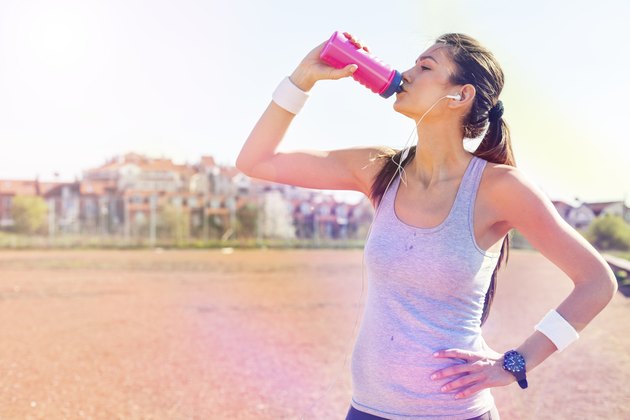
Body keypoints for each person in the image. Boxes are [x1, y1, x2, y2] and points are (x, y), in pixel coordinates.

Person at [236, 32, 618, 420]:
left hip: (455, 414)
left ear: (460, 95)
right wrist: (302, 78)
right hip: (367, 410)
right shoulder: (380, 171)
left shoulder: (500, 188)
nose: (405, 74)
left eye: (425, 67)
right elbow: (257, 161)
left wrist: (515, 363)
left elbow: (597, 283)